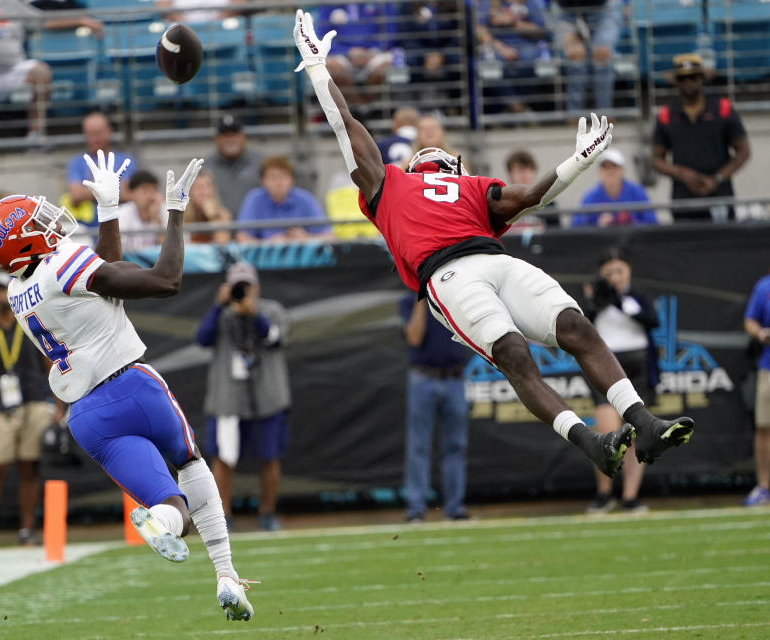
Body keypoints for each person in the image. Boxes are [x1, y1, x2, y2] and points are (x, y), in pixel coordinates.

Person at [292, 9, 693, 481]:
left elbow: (527, 199)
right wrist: (319, 71)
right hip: (447, 275)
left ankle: (643, 423)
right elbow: (347, 127)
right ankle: (591, 442)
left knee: (576, 326)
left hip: (495, 259)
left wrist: (575, 164)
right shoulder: (389, 184)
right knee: (513, 354)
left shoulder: (473, 186)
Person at [0, 150, 254, 621]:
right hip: (133, 385)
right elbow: (164, 281)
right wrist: (176, 210)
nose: (49, 220)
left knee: (174, 510)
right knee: (190, 463)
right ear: (23, 243)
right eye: (36, 220)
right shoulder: (61, 262)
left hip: (86, 416)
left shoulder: (18, 290)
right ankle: (224, 569)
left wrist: (108, 213)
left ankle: (182, 539)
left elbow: (101, 279)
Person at [0, 270, 65, 549]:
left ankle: (26, 530)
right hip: (2, 406)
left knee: (29, 468)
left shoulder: (28, 322)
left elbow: (49, 362)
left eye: (1, 290)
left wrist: (58, 402)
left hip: (33, 402)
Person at [195, 262, 291, 532]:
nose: (243, 291)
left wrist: (253, 315)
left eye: (247, 286)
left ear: (257, 287)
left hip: (267, 396)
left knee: (270, 456)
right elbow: (202, 339)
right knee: (223, 458)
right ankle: (222, 515)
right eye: (238, 286)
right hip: (228, 398)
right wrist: (218, 306)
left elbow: (276, 338)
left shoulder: (271, 310)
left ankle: (268, 512)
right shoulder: (222, 314)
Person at [0, 0, 102, 141]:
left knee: (41, 72)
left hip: (11, 69)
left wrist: (81, 20)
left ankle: (35, 135)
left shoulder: (10, 4)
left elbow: (43, 21)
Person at [582, 252, 658, 514]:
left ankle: (630, 497)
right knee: (608, 433)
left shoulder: (638, 297)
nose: (615, 277)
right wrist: (597, 302)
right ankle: (604, 493)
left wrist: (621, 302)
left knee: (635, 434)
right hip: (605, 368)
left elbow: (652, 321)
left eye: (620, 271)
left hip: (636, 369)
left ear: (628, 272)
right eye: (609, 272)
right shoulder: (597, 299)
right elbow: (581, 327)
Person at [651, 53, 751, 222]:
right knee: (686, 246)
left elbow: (744, 151)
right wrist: (682, 173)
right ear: (676, 82)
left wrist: (718, 178)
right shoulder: (666, 115)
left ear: (702, 79)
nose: (688, 82)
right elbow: (656, 159)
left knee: (724, 245)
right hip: (683, 197)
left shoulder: (723, 109)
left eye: (693, 77)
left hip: (720, 194)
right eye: (683, 78)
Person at [399, 293, 471, 522]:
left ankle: (454, 508)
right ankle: (416, 510)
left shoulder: (454, 297)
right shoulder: (408, 301)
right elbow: (414, 337)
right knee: (418, 446)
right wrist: (422, 298)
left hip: (454, 378)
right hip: (423, 378)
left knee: (456, 445)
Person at [235, 155, 334, 244]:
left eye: (283, 177)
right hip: (264, 261)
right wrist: (268, 243)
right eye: (273, 177)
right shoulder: (254, 199)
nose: (279, 183)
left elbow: (329, 237)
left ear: (292, 180)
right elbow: (242, 238)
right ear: (263, 181)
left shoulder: (306, 199)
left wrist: (307, 239)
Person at [315, 3, 397, 107]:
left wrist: (370, 51)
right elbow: (321, 37)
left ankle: (361, 108)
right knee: (331, 66)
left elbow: (389, 33)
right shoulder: (329, 4)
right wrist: (347, 51)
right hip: (341, 54)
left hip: (374, 53)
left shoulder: (381, 3)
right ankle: (361, 107)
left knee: (386, 65)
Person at [65, 111, 135, 230]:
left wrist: (90, 191)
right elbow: (75, 195)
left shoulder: (126, 160)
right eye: (90, 134)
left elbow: (127, 193)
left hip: (118, 225)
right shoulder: (76, 162)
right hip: (86, 227)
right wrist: (109, 190)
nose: (94, 139)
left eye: (98, 133)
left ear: (109, 132)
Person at [475, 0, 549, 114]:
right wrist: (500, 48)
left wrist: (513, 22)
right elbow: (479, 29)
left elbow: (540, 31)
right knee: (489, 63)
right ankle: (518, 108)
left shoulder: (531, 3)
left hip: (527, 46)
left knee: (530, 57)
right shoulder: (488, 3)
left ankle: (513, 109)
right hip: (496, 46)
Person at [551, 0, 623, 112]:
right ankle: (574, 114)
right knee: (575, 57)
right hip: (566, 13)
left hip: (603, 11)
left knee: (602, 54)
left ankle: (605, 113)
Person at [571, 148, 655, 227]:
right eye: (605, 167)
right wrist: (598, 226)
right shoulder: (590, 197)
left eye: (614, 166)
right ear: (599, 172)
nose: (610, 171)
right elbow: (576, 228)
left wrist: (630, 222)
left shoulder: (637, 192)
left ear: (622, 170)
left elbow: (653, 224)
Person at [743, 270, 770, 507]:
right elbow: (750, 320)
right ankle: (764, 487)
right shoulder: (764, 287)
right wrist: (761, 333)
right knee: (764, 427)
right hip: (768, 367)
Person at [203, 114, 263, 219]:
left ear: (243, 136)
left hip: (255, 232)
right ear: (217, 139)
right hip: (217, 230)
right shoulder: (204, 167)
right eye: (225, 135)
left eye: (234, 134)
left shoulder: (260, 163)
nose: (230, 139)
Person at [504, 149, 555, 231]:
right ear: (510, 174)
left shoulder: (548, 202)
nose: (525, 176)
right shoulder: (501, 203)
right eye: (520, 171)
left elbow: (556, 236)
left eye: (529, 170)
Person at [118, 169, 169, 250]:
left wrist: (157, 219)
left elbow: (169, 251)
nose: (151, 196)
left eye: (154, 190)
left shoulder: (165, 210)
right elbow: (119, 251)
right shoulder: (122, 213)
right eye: (145, 190)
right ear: (132, 193)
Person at [183, 171, 232, 244]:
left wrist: (213, 216)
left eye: (208, 186)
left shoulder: (223, 214)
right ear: (189, 191)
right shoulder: (181, 215)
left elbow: (222, 243)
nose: (204, 192)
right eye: (198, 187)